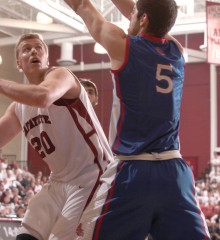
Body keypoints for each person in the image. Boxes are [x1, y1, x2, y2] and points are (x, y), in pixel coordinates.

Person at [64, 0, 210, 239]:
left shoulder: (123, 46)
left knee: (83, 233)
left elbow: (82, 5)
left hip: (133, 170)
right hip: (175, 173)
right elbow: (156, 17)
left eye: (135, 14)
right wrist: (145, 11)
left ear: (143, 19)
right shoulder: (178, 53)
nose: (129, 16)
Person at [0, 33, 113, 240]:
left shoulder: (61, 75)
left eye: (38, 47)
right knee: (25, 236)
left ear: (47, 59)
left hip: (93, 177)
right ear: (19, 63)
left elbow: (43, 96)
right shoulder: (18, 108)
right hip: (58, 183)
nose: (33, 51)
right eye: (26, 49)